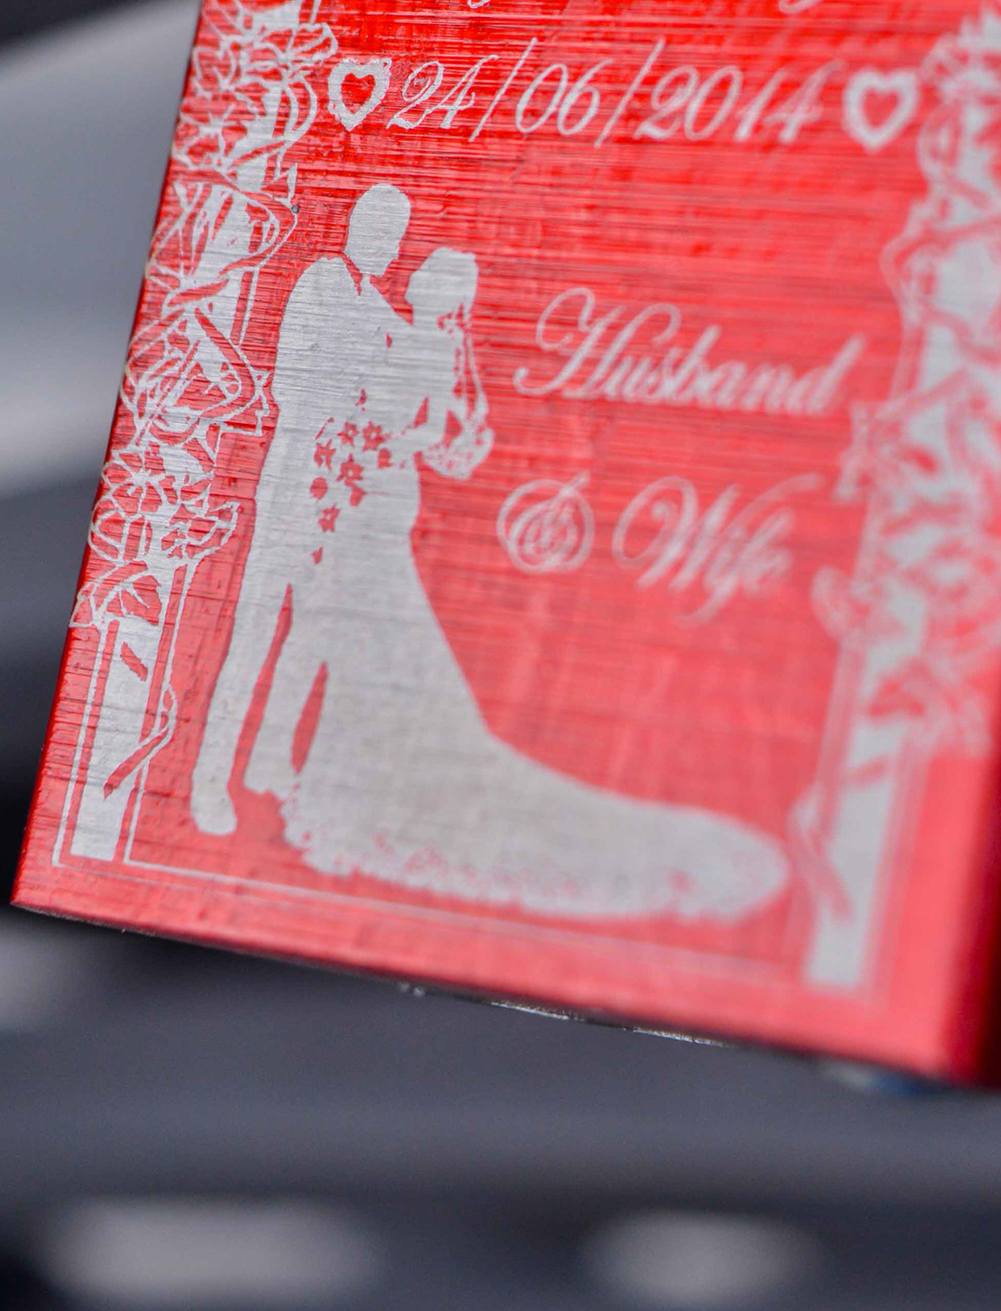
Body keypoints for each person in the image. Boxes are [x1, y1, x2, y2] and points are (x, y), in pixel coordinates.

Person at [268, 246, 789, 927]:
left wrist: (400, 434)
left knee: (365, 647)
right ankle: (332, 783)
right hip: (371, 506)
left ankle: (336, 788)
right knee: (369, 647)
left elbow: (432, 433)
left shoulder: (420, 342)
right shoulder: (424, 344)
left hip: (374, 506)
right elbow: (438, 434)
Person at [189, 182, 409, 833]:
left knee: (310, 633)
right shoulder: (323, 284)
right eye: (382, 233)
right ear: (358, 228)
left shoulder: (377, 307)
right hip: (293, 483)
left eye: (395, 239)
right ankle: (209, 778)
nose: (390, 250)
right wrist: (358, 396)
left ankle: (267, 759)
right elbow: (292, 383)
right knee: (254, 631)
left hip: (338, 501)